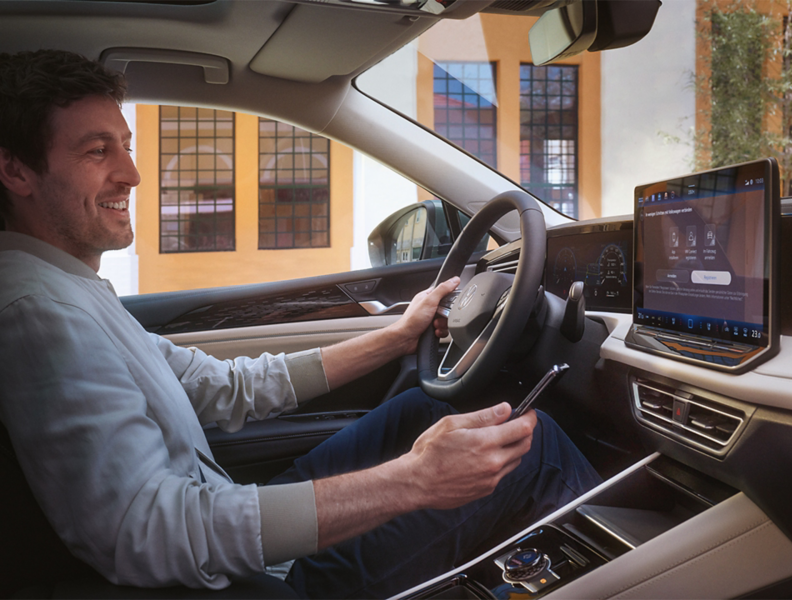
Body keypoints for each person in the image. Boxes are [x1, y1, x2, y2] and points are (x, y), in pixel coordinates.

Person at [0, 50, 601, 598]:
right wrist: (413, 481)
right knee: (535, 446)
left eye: (126, 145)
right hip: (246, 584)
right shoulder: (41, 316)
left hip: (230, 526)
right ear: (17, 172)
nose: (131, 173)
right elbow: (153, 533)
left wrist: (394, 336)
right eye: (96, 150)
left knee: (424, 410)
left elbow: (225, 387)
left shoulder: (71, 291)